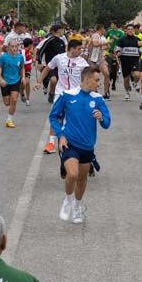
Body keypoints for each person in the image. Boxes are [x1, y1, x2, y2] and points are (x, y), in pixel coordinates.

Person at [49, 67, 110, 226]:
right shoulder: (67, 95)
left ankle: (77, 205)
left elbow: (107, 123)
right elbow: (53, 117)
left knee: (82, 180)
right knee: (73, 174)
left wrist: (101, 117)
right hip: (69, 143)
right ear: (86, 79)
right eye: (97, 80)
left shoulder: (98, 99)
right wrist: (60, 135)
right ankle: (68, 200)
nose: (99, 83)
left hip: (87, 147)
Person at [43, 38, 89, 153]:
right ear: (72, 49)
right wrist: (39, 81)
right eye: (79, 49)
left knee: (73, 118)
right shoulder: (59, 58)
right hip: (60, 92)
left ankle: (74, 141)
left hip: (75, 94)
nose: (80, 51)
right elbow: (48, 68)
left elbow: (90, 75)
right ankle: (51, 143)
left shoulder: (82, 62)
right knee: (56, 117)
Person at [36, 25, 67, 105]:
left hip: (60, 66)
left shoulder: (62, 42)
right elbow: (41, 51)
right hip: (50, 65)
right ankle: (51, 93)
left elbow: (64, 55)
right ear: (58, 31)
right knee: (53, 80)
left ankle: (54, 93)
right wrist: (39, 62)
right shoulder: (49, 41)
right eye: (62, 30)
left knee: (60, 82)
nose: (63, 32)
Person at [0, 41, 25, 129]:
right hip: (5, 82)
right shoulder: (3, 57)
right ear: (8, 47)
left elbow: (22, 67)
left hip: (16, 81)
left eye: (16, 46)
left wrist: (23, 77)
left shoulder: (20, 57)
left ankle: (9, 120)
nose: (14, 48)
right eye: (12, 46)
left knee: (14, 99)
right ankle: (10, 109)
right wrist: (0, 79)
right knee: (7, 103)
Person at [115, 25, 141, 101]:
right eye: (128, 29)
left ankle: (135, 83)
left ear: (133, 30)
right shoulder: (122, 39)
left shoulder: (138, 39)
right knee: (126, 79)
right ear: (126, 30)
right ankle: (127, 92)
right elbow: (117, 49)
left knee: (137, 75)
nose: (130, 30)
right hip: (125, 61)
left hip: (135, 60)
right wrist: (118, 52)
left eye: (131, 29)